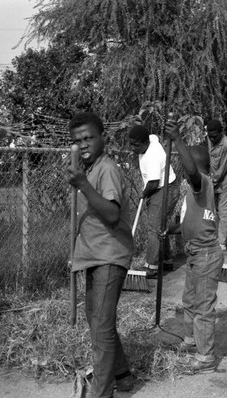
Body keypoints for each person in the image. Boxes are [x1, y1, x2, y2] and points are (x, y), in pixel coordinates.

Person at [67, 112, 135, 397]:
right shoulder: (91, 168)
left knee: (102, 327)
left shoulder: (106, 168)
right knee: (96, 320)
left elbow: (111, 213)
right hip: (94, 254)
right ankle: (122, 375)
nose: (83, 145)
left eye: (88, 138)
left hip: (110, 255)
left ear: (103, 138)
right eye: (77, 140)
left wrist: (83, 184)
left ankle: (102, 392)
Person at [162, 119, 224, 374]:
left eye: (188, 169)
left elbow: (192, 172)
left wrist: (177, 139)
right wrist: (170, 230)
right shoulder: (195, 195)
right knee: (190, 300)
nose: (185, 173)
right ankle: (190, 341)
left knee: (203, 306)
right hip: (194, 253)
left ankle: (206, 356)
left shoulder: (202, 184)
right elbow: (191, 223)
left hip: (206, 255)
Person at [129, 125, 180, 278]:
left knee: (154, 228)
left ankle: (151, 267)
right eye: (131, 144)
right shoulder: (149, 141)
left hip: (164, 189)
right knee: (160, 226)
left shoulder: (152, 155)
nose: (132, 148)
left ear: (145, 142)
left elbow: (153, 182)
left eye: (136, 145)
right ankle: (166, 260)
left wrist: (142, 195)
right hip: (164, 187)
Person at [206, 119, 227, 251]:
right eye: (210, 135)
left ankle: (221, 243)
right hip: (212, 180)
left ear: (221, 132)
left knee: (223, 212)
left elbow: (223, 168)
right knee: (211, 211)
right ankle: (211, 239)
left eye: (214, 136)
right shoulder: (209, 139)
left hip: (225, 181)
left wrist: (210, 182)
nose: (212, 138)